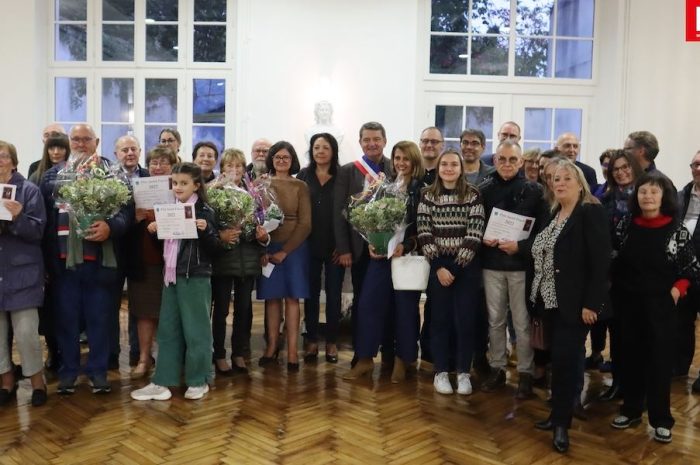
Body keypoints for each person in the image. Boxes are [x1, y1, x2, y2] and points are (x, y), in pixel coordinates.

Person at [40, 123, 133, 395]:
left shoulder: (112, 173)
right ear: (70, 142)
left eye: (86, 139)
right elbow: (45, 223)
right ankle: (68, 372)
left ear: (97, 141)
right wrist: (47, 264)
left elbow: (126, 213)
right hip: (64, 264)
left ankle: (98, 371)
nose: (80, 144)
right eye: (76, 140)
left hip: (101, 263)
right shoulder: (52, 176)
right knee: (66, 321)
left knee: (100, 320)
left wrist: (110, 227)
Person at [610, 172, 700, 444]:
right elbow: (614, 258)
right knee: (629, 357)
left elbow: (690, 270)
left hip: (661, 305)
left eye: (654, 192)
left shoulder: (676, 230)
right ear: (636, 197)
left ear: (664, 197)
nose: (647, 196)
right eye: (643, 192)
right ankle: (631, 409)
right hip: (628, 304)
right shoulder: (625, 225)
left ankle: (661, 419)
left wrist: (676, 291)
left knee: (660, 362)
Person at [530, 158, 610, 453]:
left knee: (566, 363)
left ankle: (562, 425)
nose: (560, 183)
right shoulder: (555, 213)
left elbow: (601, 263)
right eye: (555, 179)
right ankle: (555, 415)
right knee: (558, 361)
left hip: (575, 306)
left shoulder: (589, 212)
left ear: (579, 183)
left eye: (566, 178)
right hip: (548, 302)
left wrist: (592, 304)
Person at [131, 162, 220, 401]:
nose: (178, 187)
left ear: (196, 186)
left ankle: (198, 380)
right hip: (171, 276)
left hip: (195, 276)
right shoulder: (170, 209)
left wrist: (206, 230)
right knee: (168, 330)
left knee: (196, 330)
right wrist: (155, 230)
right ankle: (163, 381)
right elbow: (170, 244)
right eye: (175, 183)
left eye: (183, 183)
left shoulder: (204, 211)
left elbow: (215, 248)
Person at [343, 141, 425, 383]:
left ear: (414, 162)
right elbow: (372, 218)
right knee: (368, 305)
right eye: (397, 158)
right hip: (380, 258)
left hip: (406, 259)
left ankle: (404, 360)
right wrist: (372, 241)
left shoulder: (422, 190)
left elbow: (425, 228)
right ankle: (366, 360)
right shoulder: (385, 187)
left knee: (405, 311)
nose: (401, 163)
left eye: (406, 159)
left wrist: (406, 245)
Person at [479, 141, 546, 399]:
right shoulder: (483, 189)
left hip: (520, 266)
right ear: (495, 160)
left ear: (521, 163)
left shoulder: (535, 191)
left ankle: (526, 373)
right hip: (491, 263)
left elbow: (542, 232)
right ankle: (497, 368)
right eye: (502, 159)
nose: (507, 164)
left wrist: (520, 247)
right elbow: (475, 223)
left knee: (522, 322)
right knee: (495, 321)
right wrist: (482, 237)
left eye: (512, 160)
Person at [417, 150, 485, 395]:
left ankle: (464, 372)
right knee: (440, 321)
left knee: (465, 321)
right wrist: (439, 267)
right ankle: (441, 371)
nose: (448, 168)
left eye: (453, 164)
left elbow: (475, 234)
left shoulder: (473, 195)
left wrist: (454, 268)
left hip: (465, 268)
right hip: (438, 267)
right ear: (438, 167)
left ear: (461, 168)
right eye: (444, 164)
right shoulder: (427, 196)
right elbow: (424, 233)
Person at [334, 122, 394, 367]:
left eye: (376, 139)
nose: (372, 143)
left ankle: (389, 351)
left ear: (384, 140)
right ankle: (362, 352)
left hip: (390, 248)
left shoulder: (396, 167)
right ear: (360, 142)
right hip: (359, 251)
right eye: (367, 139)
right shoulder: (348, 171)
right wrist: (345, 249)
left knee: (389, 301)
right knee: (362, 302)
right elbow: (340, 211)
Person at [210, 149, 268, 375]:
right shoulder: (214, 193)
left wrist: (262, 235)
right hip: (224, 261)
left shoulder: (252, 193)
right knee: (221, 311)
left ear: (245, 169)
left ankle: (239, 353)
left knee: (244, 310)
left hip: (248, 261)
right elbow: (208, 228)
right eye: (229, 166)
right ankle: (219, 354)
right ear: (222, 169)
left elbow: (261, 225)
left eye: (238, 166)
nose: (234, 171)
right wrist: (222, 234)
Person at [0, 140, 48, 407]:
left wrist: (18, 218)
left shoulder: (28, 190)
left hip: (23, 273)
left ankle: (38, 384)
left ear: (14, 161)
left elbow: (38, 231)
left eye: (3, 156)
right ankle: (7, 383)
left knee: (27, 333)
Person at [124, 145, 178, 379]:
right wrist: (134, 218)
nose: (158, 167)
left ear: (173, 165)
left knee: (169, 313)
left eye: (164, 162)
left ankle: (168, 358)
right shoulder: (137, 189)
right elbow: (122, 224)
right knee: (144, 312)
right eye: (154, 162)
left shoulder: (179, 187)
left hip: (172, 260)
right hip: (144, 258)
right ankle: (145, 358)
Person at [257, 142, 311, 371]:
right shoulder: (259, 184)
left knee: (292, 298)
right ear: (271, 159)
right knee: (271, 298)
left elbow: (305, 223)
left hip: (294, 248)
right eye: (277, 157)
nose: (281, 161)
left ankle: (291, 351)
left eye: (286, 157)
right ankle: (271, 346)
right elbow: (255, 217)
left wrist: (285, 250)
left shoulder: (300, 186)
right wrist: (263, 247)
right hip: (267, 246)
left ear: (292, 160)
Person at [594, 150, 643, 400]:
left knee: (640, 336)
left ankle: (639, 389)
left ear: (634, 167)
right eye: (616, 169)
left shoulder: (647, 195)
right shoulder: (605, 199)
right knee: (618, 332)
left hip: (643, 276)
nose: (622, 172)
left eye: (626, 167)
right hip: (614, 276)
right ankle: (618, 383)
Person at [297, 133, 344, 364]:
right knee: (311, 295)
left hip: (336, 246)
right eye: (316, 147)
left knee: (334, 296)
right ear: (311, 151)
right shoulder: (304, 175)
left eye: (326, 147)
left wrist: (343, 245)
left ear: (333, 151)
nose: (321, 151)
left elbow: (349, 211)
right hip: (309, 244)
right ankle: (312, 340)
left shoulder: (342, 175)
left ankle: (332, 342)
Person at [679, 151, 700, 393]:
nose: (697, 168)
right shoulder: (682, 194)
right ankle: (680, 365)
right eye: (694, 164)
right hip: (684, 269)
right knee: (682, 321)